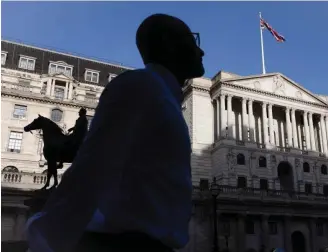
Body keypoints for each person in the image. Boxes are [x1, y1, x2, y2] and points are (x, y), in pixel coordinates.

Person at [26, 13, 205, 252]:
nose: (200, 51)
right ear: (169, 43)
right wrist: (44, 237)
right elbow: (92, 167)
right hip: (125, 244)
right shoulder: (140, 86)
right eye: (192, 40)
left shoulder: (162, 96)